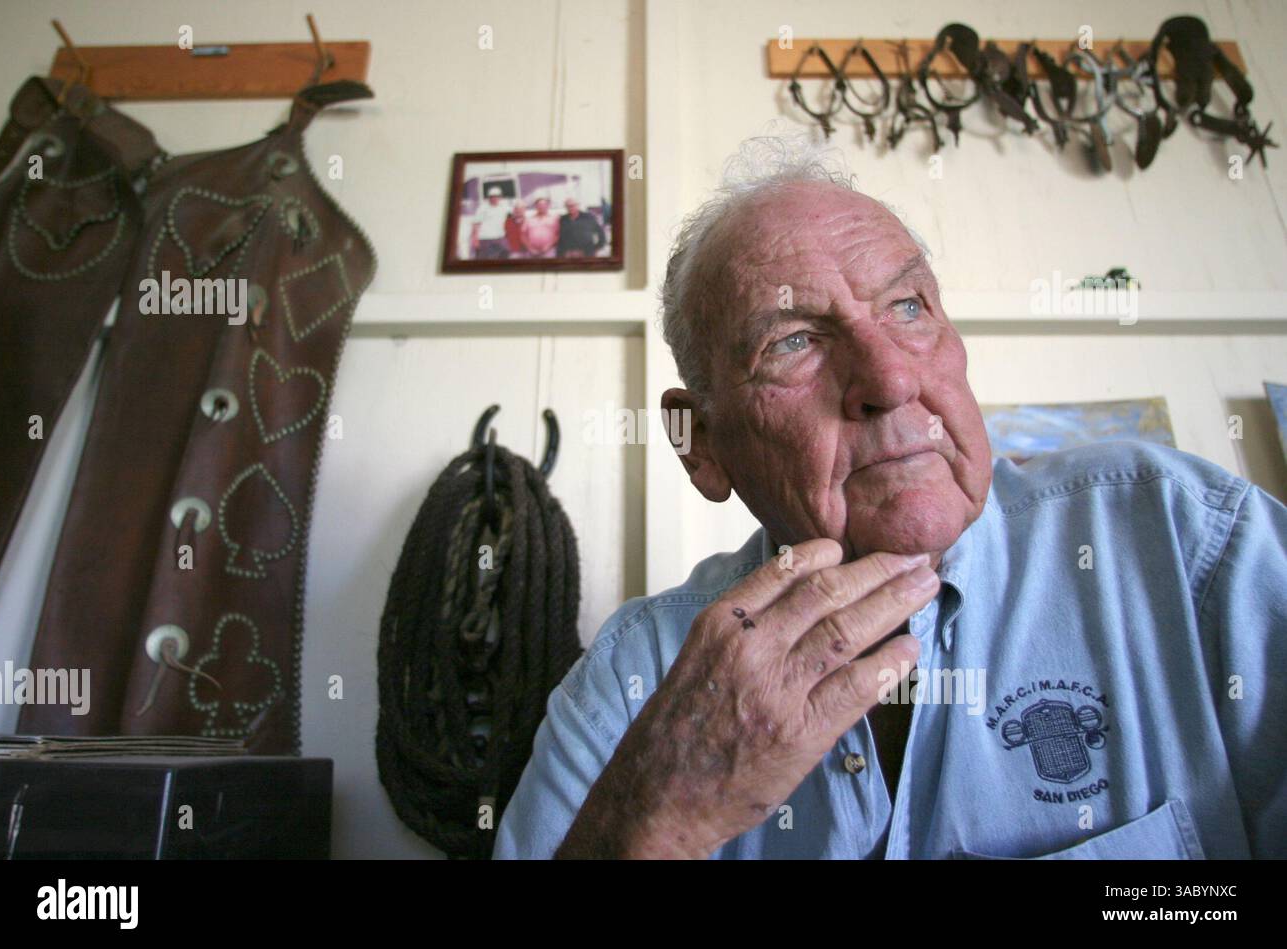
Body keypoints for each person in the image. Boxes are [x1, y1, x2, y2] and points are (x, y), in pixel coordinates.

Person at [493, 135, 1287, 860]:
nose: (893, 378)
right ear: (701, 442)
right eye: (793, 341)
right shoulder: (634, 678)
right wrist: (652, 821)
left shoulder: (1184, 539)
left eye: (908, 308)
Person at [469, 186, 511, 260]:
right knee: (483, 261)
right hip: (485, 239)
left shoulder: (505, 207)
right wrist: (475, 240)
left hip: (500, 238)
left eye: (497, 196)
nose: (494, 198)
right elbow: (476, 224)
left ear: (500, 197)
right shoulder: (482, 208)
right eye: (492, 196)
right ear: (489, 197)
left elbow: (512, 218)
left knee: (504, 258)